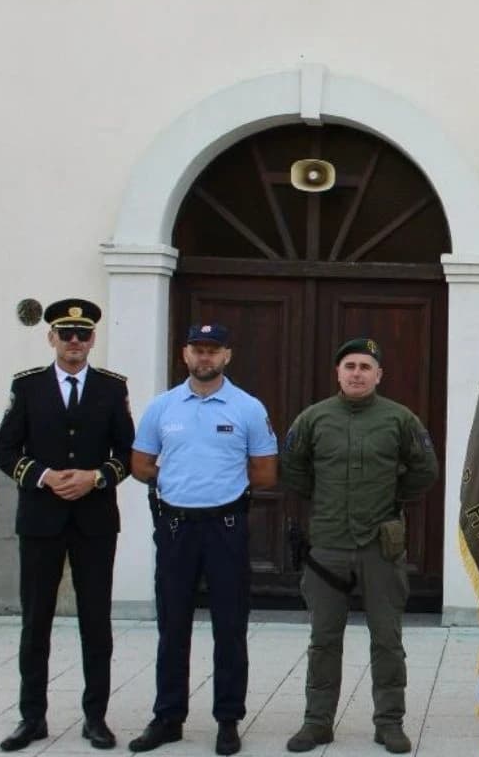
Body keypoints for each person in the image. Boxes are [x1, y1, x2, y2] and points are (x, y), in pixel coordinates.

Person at [280, 338, 438, 755]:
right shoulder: (314, 418)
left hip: (379, 547)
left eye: (366, 366)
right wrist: (326, 497)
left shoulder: (400, 419)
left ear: (379, 374)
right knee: (324, 639)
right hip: (327, 545)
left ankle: (389, 722)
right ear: (338, 372)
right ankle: (317, 722)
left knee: (387, 638)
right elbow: (292, 466)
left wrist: (391, 496)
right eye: (349, 365)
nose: (356, 373)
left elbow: (425, 468)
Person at [0, 298, 134, 752]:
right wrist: (43, 476)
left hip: (94, 521)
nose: (75, 342)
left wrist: (95, 477)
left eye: (84, 334)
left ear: (93, 339)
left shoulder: (112, 389)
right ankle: (32, 717)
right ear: (51, 337)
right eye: (66, 334)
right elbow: (4, 450)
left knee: (96, 623)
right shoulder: (28, 387)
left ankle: (96, 718)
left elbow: (128, 452)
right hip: (40, 519)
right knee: (36, 623)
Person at [128, 324, 277, 756]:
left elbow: (266, 472)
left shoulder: (247, 408)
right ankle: (168, 717)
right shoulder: (163, 407)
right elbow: (140, 464)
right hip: (176, 528)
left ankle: (228, 719)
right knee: (172, 625)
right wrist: (179, 478)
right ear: (185, 354)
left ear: (227, 355)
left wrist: (219, 482)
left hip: (225, 528)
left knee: (230, 627)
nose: (205, 357)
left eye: (213, 350)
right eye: (198, 349)